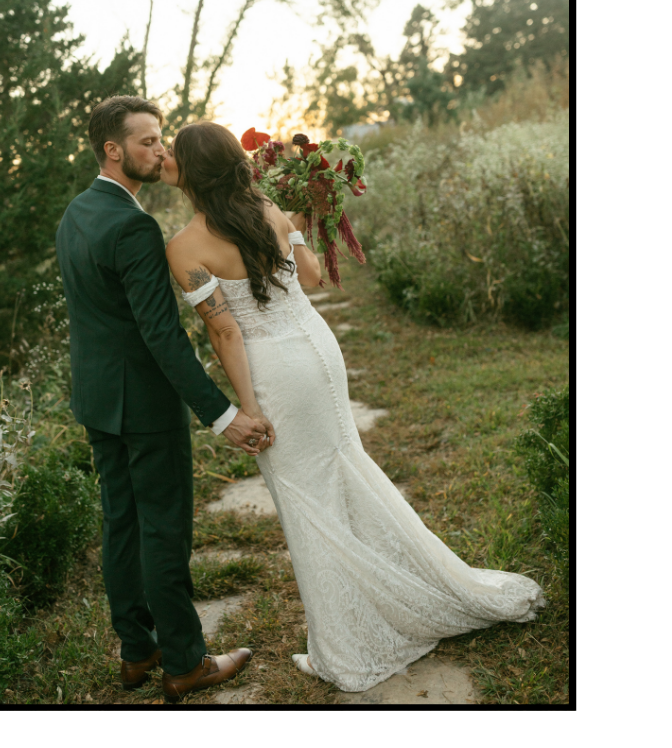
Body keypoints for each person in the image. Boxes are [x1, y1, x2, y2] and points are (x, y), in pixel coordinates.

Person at [161, 121, 543, 693]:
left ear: (190, 171)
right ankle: (400, 595)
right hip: (318, 349)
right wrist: (292, 227)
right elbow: (312, 276)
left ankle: (348, 646)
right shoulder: (265, 206)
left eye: (172, 153)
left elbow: (226, 335)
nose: (164, 157)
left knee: (306, 501)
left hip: (274, 372)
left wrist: (247, 407)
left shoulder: (185, 245)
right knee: (345, 468)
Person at [54, 97, 271, 705]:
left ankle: (137, 650)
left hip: (96, 401)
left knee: (121, 526)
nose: (161, 151)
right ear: (113, 150)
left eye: (161, 140)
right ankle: (184, 660)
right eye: (148, 141)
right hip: (144, 408)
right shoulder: (133, 225)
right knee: (163, 533)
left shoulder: (77, 213)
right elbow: (161, 335)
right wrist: (222, 413)